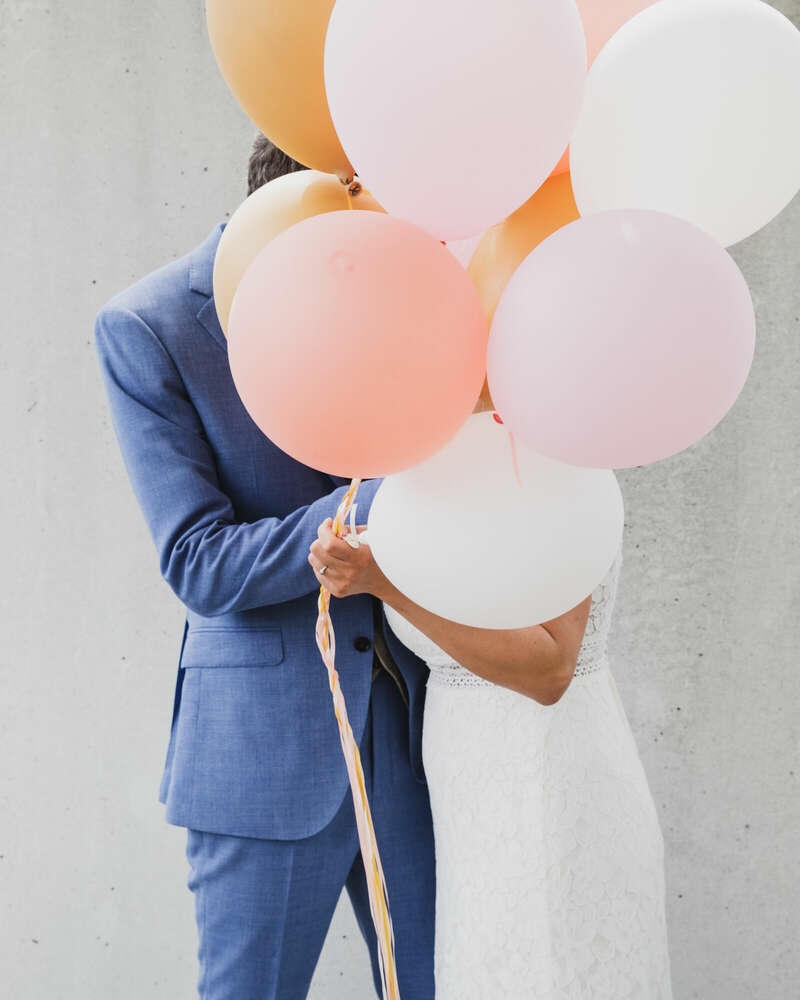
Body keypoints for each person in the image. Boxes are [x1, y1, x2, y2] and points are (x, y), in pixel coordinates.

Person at [93, 133, 436, 999]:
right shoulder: (152, 326)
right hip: (262, 753)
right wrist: (384, 498)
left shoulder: (396, 291)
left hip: (421, 738)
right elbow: (198, 560)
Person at [309, 426, 675, 999]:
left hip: (550, 770)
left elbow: (549, 668)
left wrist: (388, 582)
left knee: (555, 966)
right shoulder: (433, 476)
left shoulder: (557, 469)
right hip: (466, 789)